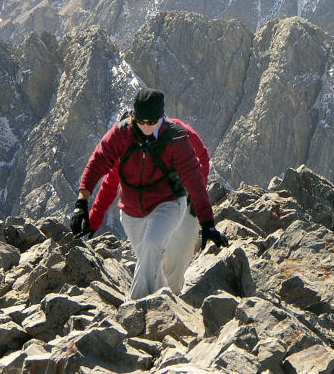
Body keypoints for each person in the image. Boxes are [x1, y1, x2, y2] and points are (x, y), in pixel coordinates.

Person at [70, 88, 228, 300]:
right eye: (140, 122)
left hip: (172, 201)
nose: (145, 128)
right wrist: (86, 211)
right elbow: (102, 172)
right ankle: (169, 304)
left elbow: (197, 171)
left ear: (161, 118)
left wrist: (206, 221)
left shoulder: (178, 135)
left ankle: (135, 306)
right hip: (133, 210)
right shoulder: (122, 137)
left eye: (151, 122)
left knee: (159, 248)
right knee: (150, 259)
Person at [86, 119, 211, 293]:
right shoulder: (126, 151)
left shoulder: (177, 131)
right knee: (154, 255)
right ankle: (160, 299)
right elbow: (110, 185)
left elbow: (202, 155)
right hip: (147, 207)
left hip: (181, 197)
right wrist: (93, 222)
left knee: (180, 249)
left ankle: (171, 297)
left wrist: (198, 191)